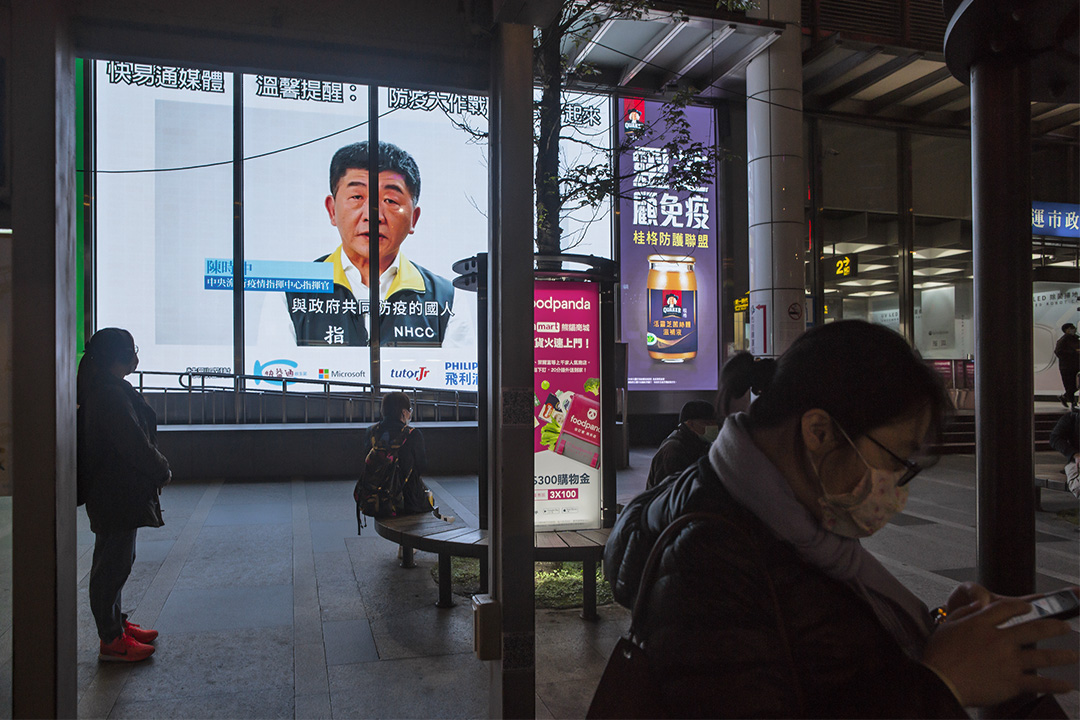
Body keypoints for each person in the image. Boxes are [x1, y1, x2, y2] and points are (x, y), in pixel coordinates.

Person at [604, 320, 1078, 718]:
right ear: (820, 431)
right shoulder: (709, 563)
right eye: (898, 458)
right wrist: (941, 683)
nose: (899, 485)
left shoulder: (787, 522)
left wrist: (934, 631)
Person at [276, 140, 472, 348]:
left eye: (390, 200)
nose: (373, 215)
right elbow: (272, 376)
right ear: (332, 210)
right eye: (357, 197)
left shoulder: (447, 299)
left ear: (414, 218)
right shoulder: (289, 292)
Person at [77, 328, 171, 663]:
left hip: (116, 490)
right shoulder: (108, 395)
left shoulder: (109, 388)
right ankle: (111, 640)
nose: (136, 355)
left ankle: (115, 625)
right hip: (114, 490)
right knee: (112, 565)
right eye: (132, 349)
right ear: (118, 355)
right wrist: (161, 469)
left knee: (118, 559)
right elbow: (134, 444)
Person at [364, 392, 434, 515]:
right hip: (407, 501)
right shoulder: (413, 434)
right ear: (403, 412)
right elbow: (421, 466)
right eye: (409, 410)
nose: (410, 413)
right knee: (429, 497)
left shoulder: (371, 431)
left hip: (374, 499)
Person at [645, 400, 718, 490]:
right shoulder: (673, 450)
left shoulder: (701, 444)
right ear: (690, 424)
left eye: (715, 423)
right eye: (707, 423)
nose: (714, 427)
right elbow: (668, 491)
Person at [1049, 408, 1080, 497]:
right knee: (1077, 485)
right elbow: (1055, 438)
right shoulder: (1072, 418)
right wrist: (1075, 454)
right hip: (1077, 461)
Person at [1054, 322, 1079, 408]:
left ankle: (1065, 397)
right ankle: (1072, 402)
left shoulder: (1076, 339)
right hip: (1067, 367)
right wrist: (1073, 353)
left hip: (1076, 366)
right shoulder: (1063, 340)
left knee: (1075, 385)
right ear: (1067, 330)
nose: (1074, 329)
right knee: (1070, 385)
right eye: (1072, 328)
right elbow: (1058, 352)